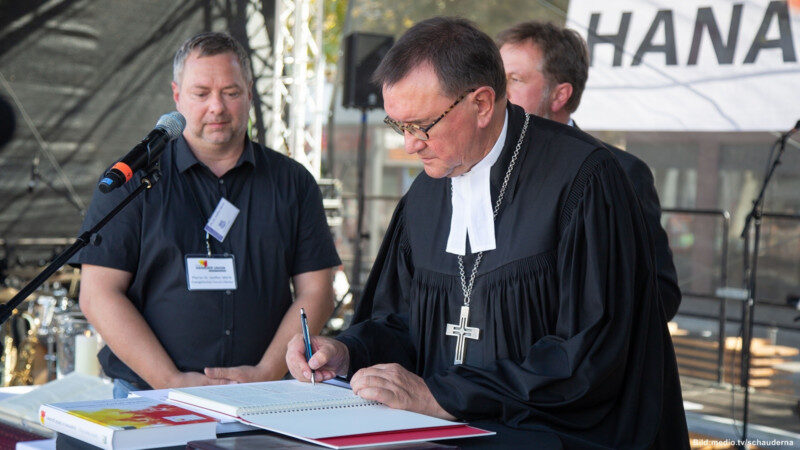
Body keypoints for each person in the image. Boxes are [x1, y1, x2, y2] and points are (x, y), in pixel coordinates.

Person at [286, 17, 689, 449]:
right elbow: (402, 322)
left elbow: (589, 355)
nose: (409, 145)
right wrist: (348, 351)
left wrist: (444, 395)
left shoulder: (583, 180)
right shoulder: (425, 195)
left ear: (481, 104)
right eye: (399, 126)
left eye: (421, 125)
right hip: (436, 434)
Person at [71, 32, 340, 398]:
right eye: (201, 94)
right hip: (149, 395)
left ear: (249, 92)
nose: (217, 107)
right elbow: (98, 294)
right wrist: (170, 381)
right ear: (177, 95)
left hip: (264, 396)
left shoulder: (293, 182)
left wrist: (266, 371)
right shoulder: (133, 179)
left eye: (230, 92)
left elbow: (317, 291)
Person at [497, 21, 681, 320]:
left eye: (515, 79)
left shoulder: (623, 172)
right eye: (496, 77)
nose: (498, 92)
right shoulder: (481, 168)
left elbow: (661, 293)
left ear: (560, 95)